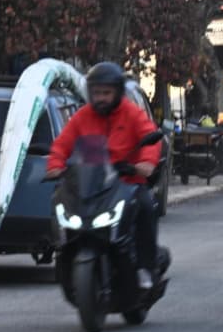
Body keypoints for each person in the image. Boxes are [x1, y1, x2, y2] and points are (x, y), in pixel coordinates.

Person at [44, 61, 162, 290]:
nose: (101, 98)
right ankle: (63, 255)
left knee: (147, 208)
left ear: (118, 92)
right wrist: (55, 165)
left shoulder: (132, 113)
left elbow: (150, 137)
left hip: (128, 184)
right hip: (93, 185)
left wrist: (146, 163)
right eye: (97, 93)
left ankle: (145, 268)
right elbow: (62, 143)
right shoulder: (82, 116)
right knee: (58, 201)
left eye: (106, 93)